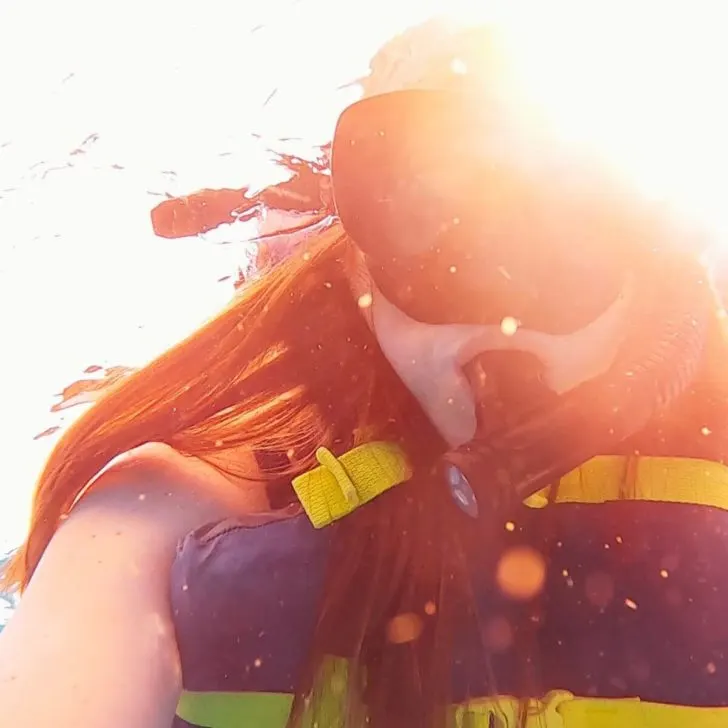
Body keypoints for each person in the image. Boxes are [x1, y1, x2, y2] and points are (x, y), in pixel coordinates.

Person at [2, 16, 728, 728]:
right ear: (360, 273)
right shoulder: (169, 511)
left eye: (567, 224)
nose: (495, 299)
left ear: (651, 273)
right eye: (421, 217)